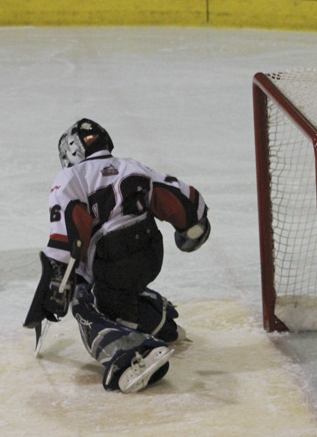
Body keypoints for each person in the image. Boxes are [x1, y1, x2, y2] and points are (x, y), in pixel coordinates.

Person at [23, 118, 210, 393]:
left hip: (112, 258)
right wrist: (193, 227)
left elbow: (71, 231)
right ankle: (161, 324)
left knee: (87, 303)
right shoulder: (132, 166)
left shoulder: (69, 178)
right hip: (150, 253)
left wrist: (57, 285)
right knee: (120, 293)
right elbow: (180, 197)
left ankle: (130, 354)